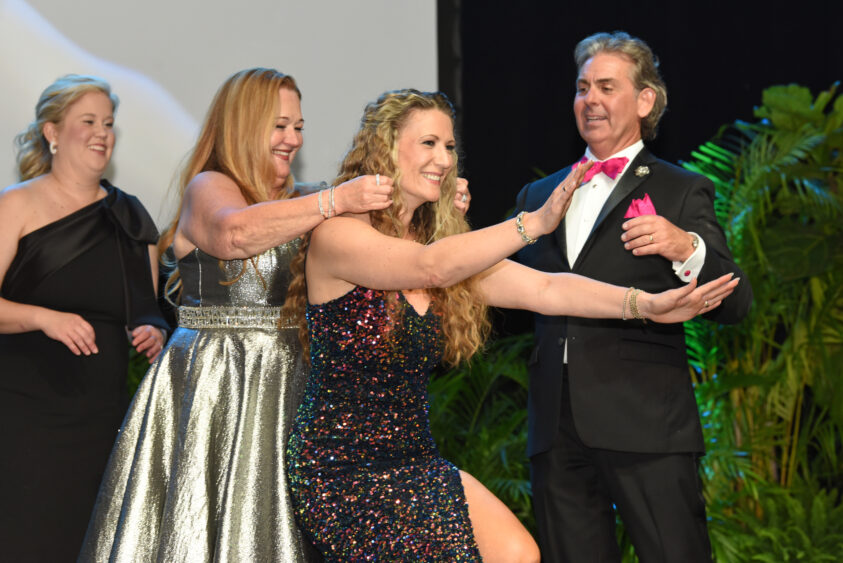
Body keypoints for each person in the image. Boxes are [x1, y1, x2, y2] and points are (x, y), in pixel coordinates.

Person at [283, 88, 740, 562]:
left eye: (449, 146)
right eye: (428, 144)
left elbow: (546, 289)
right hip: (340, 467)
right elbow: (429, 268)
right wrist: (533, 224)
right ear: (386, 148)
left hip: (413, 457)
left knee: (519, 553)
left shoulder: (436, 245)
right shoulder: (339, 234)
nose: (444, 159)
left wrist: (646, 305)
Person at [77, 67, 472, 563]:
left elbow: (391, 249)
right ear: (243, 126)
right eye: (279, 126)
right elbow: (234, 234)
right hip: (218, 384)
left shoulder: (312, 196)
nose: (293, 139)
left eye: (299, 127)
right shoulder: (209, 186)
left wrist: (433, 201)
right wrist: (335, 200)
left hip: (299, 387)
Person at [511, 32, 754, 562]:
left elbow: (737, 303)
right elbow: (496, 284)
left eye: (606, 87)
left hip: (647, 424)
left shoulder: (680, 189)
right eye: (582, 88)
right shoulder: (538, 196)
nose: (589, 100)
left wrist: (685, 247)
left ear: (645, 100)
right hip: (555, 426)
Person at [0, 75, 168, 562]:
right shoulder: (17, 204)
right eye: (88, 121)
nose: (102, 133)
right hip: (23, 417)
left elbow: (146, 310)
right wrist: (43, 318)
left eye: (108, 124)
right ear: (52, 132)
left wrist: (153, 332)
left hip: (101, 421)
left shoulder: (129, 216)